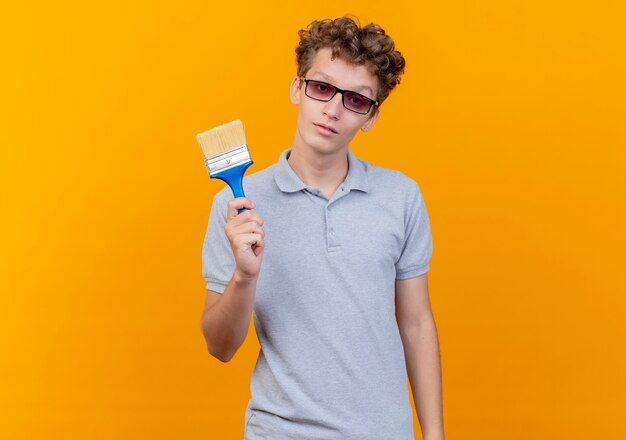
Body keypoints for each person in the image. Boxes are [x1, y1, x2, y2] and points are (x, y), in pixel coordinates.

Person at [200, 16, 445, 440]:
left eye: (355, 99)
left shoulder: (401, 196)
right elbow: (220, 347)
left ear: (370, 116)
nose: (333, 109)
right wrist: (244, 276)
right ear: (298, 88)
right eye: (322, 88)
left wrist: (435, 435)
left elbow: (417, 324)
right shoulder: (236, 206)